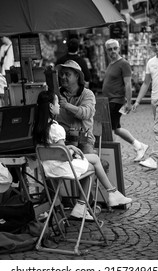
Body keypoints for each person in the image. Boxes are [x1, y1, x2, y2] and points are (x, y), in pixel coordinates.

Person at [33, 90, 132, 220]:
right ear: (51, 106)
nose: (59, 106)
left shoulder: (38, 127)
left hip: (48, 168)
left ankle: (109, 194)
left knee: (94, 160)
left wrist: (70, 146)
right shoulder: (56, 128)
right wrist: (73, 150)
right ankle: (88, 203)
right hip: (61, 167)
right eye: (57, 102)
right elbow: (64, 155)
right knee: (92, 165)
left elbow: (52, 148)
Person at [102, 39, 148, 162]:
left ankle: (110, 157)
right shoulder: (111, 64)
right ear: (106, 51)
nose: (113, 51)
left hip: (116, 101)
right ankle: (139, 146)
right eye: (110, 49)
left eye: (114, 48)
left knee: (109, 128)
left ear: (119, 48)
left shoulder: (124, 64)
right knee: (116, 128)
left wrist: (128, 102)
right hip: (109, 101)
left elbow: (128, 84)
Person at [132, 32, 158, 169]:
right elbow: (146, 83)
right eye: (154, 45)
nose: (156, 47)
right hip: (154, 100)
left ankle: (153, 158)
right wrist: (137, 101)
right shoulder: (150, 62)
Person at [56, 59, 95, 154]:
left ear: (77, 76)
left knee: (87, 161)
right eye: (62, 74)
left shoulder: (87, 94)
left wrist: (66, 105)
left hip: (83, 139)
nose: (63, 77)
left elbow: (85, 113)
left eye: (67, 74)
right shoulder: (57, 93)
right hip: (62, 138)